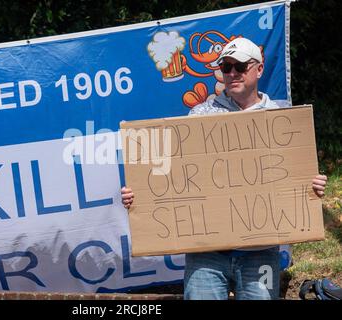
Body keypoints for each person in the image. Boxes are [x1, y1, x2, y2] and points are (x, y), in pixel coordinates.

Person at [121, 37, 328, 300]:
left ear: (259, 69)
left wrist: (313, 187)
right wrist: (139, 195)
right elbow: (170, 175)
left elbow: (295, 177)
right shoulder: (199, 116)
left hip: (260, 252)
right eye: (225, 68)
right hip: (206, 254)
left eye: (239, 66)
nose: (231, 74)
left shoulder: (281, 120)